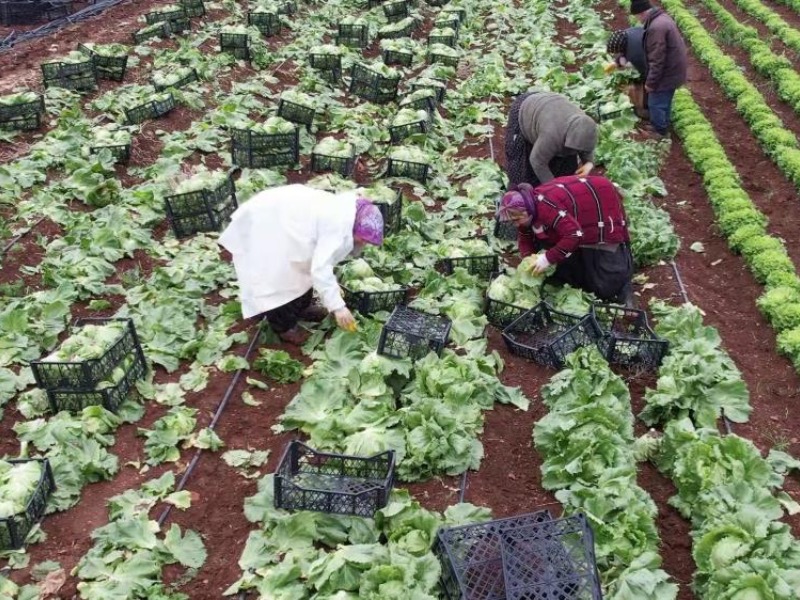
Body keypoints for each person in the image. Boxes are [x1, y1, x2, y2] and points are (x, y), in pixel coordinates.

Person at [219, 184, 384, 344]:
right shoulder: (338, 228)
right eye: (363, 239)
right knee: (280, 281)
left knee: (301, 273)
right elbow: (320, 268)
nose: (363, 244)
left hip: (286, 217)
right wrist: (338, 307)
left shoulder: (349, 212)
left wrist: (331, 288)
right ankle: (283, 327)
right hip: (270, 224)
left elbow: (320, 260)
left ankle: (301, 308)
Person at [497, 175, 634, 304]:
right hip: (574, 206)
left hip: (599, 196)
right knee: (566, 257)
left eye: (517, 219)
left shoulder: (545, 207)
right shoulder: (527, 212)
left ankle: (623, 290)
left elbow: (575, 234)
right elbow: (525, 237)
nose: (516, 224)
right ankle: (580, 274)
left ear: (526, 211)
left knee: (606, 283)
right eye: (512, 221)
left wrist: (547, 259)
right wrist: (529, 258)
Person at [504, 91, 598, 188]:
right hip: (526, 107)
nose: (575, 151)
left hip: (552, 107)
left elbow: (585, 145)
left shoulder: (586, 124)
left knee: (566, 170)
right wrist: (554, 187)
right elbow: (537, 161)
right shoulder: (551, 134)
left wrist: (588, 162)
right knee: (521, 174)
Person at [631, 0, 688, 138]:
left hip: (667, 72)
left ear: (643, 12)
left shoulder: (656, 27)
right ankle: (661, 124)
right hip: (674, 70)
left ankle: (659, 132)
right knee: (664, 100)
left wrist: (651, 82)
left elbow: (657, 59)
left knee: (655, 102)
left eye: (637, 16)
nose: (638, 19)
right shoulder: (661, 18)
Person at [606, 28, 649, 120]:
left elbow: (643, 72)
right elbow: (621, 52)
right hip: (645, 46)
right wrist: (617, 60)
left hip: (654, 62)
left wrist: (637, 82)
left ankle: (645, 110)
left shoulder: (636, 54)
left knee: (645, 86)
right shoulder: (625, 34)